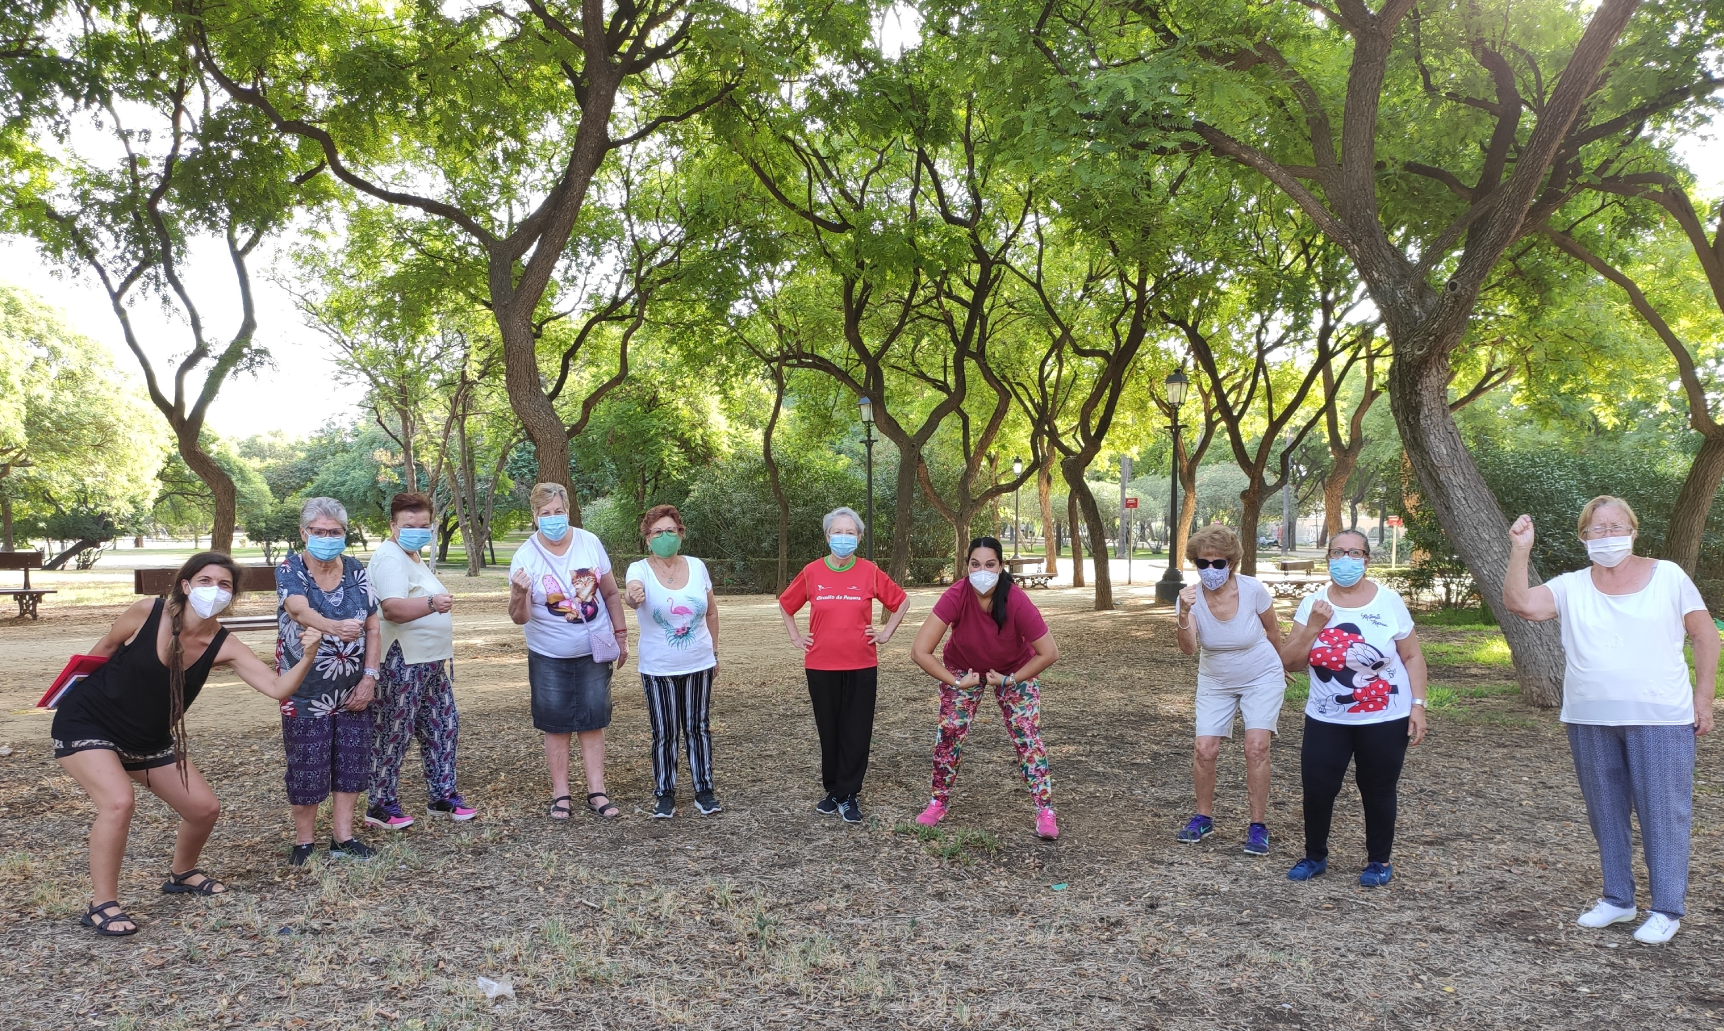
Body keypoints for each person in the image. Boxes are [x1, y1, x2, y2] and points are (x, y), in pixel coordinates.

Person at [52, 552, 323, 935]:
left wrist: (309, 652)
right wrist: (64, 696)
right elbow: (103, 650)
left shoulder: (223, 644)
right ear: (186, 585)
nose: (214, 590)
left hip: (147, 737)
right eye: (206, 581)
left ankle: (181, 873)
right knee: (118, 802)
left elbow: (277, 688)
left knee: (203, 809)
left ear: (233, 596)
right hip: (88, 722)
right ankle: (101, 905)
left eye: (224, 585)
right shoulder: (148, 611)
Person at [1503, 497, 1717, 945]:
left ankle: (1666, 909)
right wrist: (1520, 550)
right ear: (1584, 537)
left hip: (1660, 717)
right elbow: (1521, 604)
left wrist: (1704, 699)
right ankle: (1618, 899)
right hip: (1590, 716)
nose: (1607, 535)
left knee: (1663, 812)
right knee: (1606, 812)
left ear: (1633, 530)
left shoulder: (1668, 577)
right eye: (1597, 529)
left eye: (1615, 526)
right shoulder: (1571, 586)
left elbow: (1703, 635)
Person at [1278, 529, 1429, 887]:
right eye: (1337, 553)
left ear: (1367, 560)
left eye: (1354, 553)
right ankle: (1314, 856)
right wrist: (1313, 627)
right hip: (1327, 717)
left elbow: (1412, 655)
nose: (1345, 560)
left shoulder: (1388, 601)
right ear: (1327, 557)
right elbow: (1289, 661)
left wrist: (1418, 705)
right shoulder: (1313, 603)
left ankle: (1379, 861)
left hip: (1385, 717)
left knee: (1377, 789)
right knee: (1317, 787)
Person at [909, 537, 1061, 839]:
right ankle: (937, 802)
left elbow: (1049, 652)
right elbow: (919, 651)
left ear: (1000, 566)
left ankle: (1045, 810)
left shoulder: (1015, 599)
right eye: (975, 564)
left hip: (1014, 670)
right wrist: (955, 681)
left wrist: (1011, 679)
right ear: (966, 566)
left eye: (990, 564)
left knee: (1027, 736)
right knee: (950, 732)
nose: (982, 571)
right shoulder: (956, 594)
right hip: (963, 669)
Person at [779, 507, 910, 823]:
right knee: (830, 728)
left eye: (850, 533)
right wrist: (797, 638)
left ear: (859, 537)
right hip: (820, 664)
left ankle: (848, 794)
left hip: (861, 663)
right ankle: (833, 790)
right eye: (838, 532)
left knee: (856, 729)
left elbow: (901, 601)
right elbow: (786, 604)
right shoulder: (812, 572)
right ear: (827, 536)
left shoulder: (869, 571)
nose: (844, 538)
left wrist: (886, 632)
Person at [509, 482, 630, 820]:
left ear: (568, 511)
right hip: (548, 655)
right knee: (556, 725)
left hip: (593, 650)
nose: (553, 518)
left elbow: (610, 593)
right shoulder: (525, 556)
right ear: (535, 517)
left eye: (558, 511)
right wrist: (519, 593)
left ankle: (597, 790)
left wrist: (621, 634)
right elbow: (519, 617)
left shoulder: (589, 542)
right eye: (545, 513)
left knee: (593, 720)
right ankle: (561, 794)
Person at [276, 496, 382, 865]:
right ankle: (304, 841)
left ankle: (343, 837)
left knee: (351, 761)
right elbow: (298, 609)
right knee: (307, 763)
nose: (326, 537)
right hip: (305, 688)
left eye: (334, 532)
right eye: (318, 531)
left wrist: (369, 677)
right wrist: (333, 627)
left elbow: (372, 625)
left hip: (354, 686)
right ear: (304, 533)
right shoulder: (291, 568)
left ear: (344, 533)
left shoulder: (355, 568)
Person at [1172, 524, 1286, 855]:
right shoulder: (1190, 598)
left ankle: (1257, 826)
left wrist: (1280, 665)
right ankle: (1203, 818)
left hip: (1261, 674)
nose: (1210, 570)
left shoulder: (1252, 590)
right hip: (1216, 679)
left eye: (1217, 563)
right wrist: (1182, 613)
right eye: (1202, 563)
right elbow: (1188, 648)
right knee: (1204, 749)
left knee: (1256, 747)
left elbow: (1273, 630)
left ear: (1231, 564)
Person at [365, 491, 475, 832]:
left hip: (429, 662)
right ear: (393, 525)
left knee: (442, 726)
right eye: (409, 524)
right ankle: (380, 803)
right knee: (393, 731)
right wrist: (432, 603)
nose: (417, 530)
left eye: (424, 524)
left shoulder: (411, 557)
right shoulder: (390, 558)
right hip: (402, 660)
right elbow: (391, 608)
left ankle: (443, 794)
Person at [625, 504, 721, 819]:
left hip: (698, 663)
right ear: (648, 539)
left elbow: (710, 612)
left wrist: (714, 653)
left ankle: (704, 790)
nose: (664, 537)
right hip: (658, 667)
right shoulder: (638, 569)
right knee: (664, 731)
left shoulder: (697, 566)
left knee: (698, 728)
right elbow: (632, 591)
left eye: (670, 531)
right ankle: (665, 793)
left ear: (680, 534)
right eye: (657, 532)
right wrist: (634, 594)